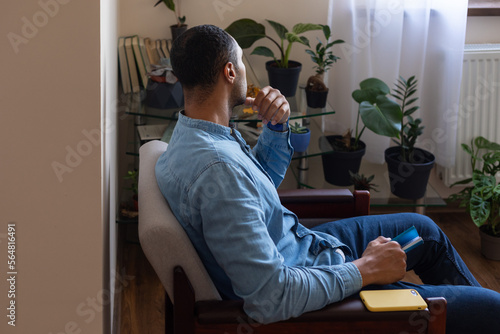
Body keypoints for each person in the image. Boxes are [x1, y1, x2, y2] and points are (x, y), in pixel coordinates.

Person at [155, 24, 500, 333]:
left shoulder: (196, 135)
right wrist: (366, 269)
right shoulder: (218, 169)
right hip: (312, 286)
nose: (247, 71)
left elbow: (257, 189)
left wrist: (275, 128)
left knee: (424, 234)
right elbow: (271, 297)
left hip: (303, 246)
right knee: (492, 310)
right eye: (243, 62)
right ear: (229, 71)